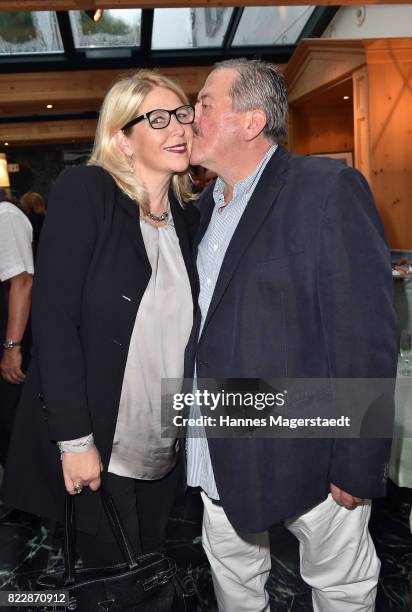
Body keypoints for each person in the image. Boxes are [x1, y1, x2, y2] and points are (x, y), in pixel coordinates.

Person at [184, 59, 397, 612]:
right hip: (217, 437)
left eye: (205, 103)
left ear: (251, 123)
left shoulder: (326, 190)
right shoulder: (201, 209)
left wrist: (357, 458)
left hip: (307, 441)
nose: (192, 114)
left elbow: (365, 332)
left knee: (341, 584)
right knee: (231, 573)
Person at [2, 70, 198, 567]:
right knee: (111, 580)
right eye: (157, 118)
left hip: (164, 439)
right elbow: (55, 321)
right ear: (122, 138)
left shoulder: (191, 218)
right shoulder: (88, 191)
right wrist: (75, 441)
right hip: (100, 440)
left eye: (182, 114)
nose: (177, 127)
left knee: (150, 568)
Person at [0, 187, 34, 476]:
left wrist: (12, 347)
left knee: (16, 421)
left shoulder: (6, 215)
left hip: (14, 337)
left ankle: (32, 507)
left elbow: (22, 282)